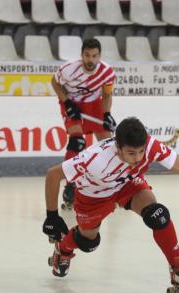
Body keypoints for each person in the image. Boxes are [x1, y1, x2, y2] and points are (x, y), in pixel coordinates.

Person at [43, 117, 179, 293]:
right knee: (88, 242)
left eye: (141, 152)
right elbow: (53, 175)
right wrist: (52, 216)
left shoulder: (150, 146)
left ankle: (178, 269)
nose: (137, 158)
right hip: (94, 195)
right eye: (131, 153)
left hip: (127, 185)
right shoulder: (95, 158)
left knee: (157, 215)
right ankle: (62, 250)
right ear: (117, 148)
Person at [51, 38, 117, 209]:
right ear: (82, 55)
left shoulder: (107, 72)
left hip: (94, 104)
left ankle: (111, 185)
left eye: (94, 56)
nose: (90, 60)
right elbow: (55, 83)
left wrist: (107, 114)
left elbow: (107, 95)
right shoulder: (68, 69)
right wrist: (67, 103)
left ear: (99, 56)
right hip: (71, 102)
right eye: (87, 55)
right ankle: (71, 186)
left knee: (107, 145)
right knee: (77, 141)